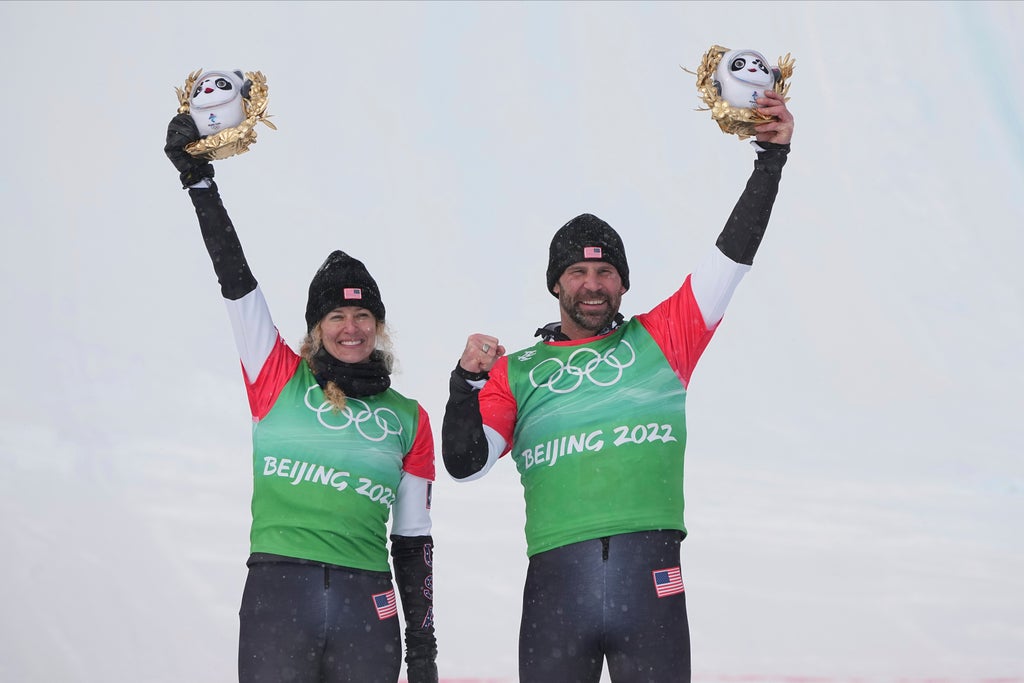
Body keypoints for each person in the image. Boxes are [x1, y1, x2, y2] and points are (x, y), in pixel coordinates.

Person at [441, 89, 794, 682]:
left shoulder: (665, 339)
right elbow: (465, 465)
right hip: (556, 585)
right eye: (578, 272)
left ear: (623, 284)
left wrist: (770, 159)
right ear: (556, 285)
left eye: (605, 271)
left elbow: (730, 259)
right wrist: (465, 383)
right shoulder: (517, 370)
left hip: (649, 576)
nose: (593, 283)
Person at [164, 113, 438, 683]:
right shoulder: (277, 376)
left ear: (379, 326)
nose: (351, 328)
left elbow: (413, 541)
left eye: (362, 315)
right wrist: (200, 184)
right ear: (316, 328)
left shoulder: (408, 419)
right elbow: (237, 282)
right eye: (336, 316)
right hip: (278, 594)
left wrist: (423, 652)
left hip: (368, 606)